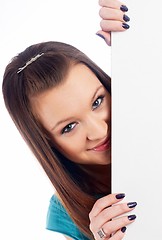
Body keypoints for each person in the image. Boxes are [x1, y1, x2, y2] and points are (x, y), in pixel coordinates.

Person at [2, 1, 136, 239]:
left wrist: (143, 36)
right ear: (47, 141)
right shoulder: (66, 214)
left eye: (97, 102)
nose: (99, 131)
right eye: (69, 127)